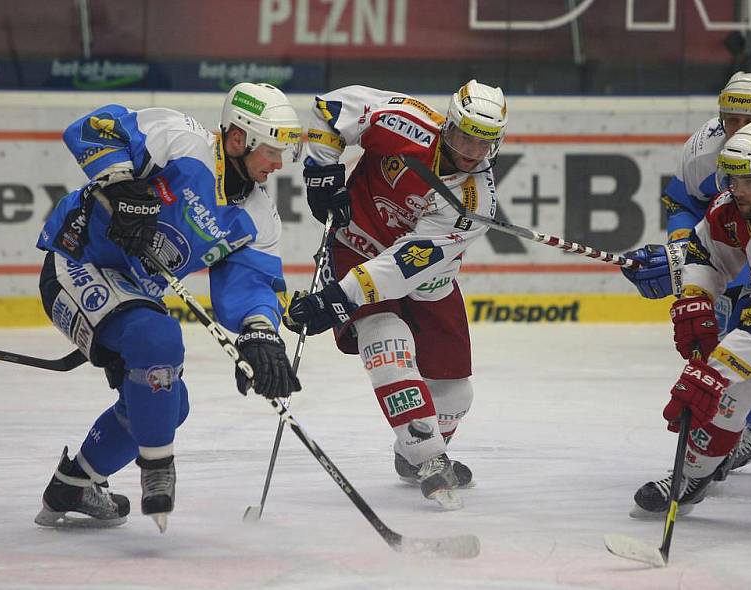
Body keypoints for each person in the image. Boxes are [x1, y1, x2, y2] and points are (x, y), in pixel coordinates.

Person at [33, 82, 302, 532]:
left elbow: (251, 285)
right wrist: (120, 188)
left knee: (168, 405)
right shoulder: (183, 140)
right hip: (76, 261)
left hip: (133, 293)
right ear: (239, 138)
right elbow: (94, 128)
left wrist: (259, 332)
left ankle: (74, 484)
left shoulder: (258, 218)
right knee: (159, 340)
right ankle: (157, 470)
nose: (278, 164)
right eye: (272, 150)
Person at [284, 80, 507, 510]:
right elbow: (332, 109)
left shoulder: (475, 201)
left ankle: (410, 454)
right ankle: (426, 456)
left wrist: (337, 299)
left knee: (456, 393)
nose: (471, 153)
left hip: (428, 279)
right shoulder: (406, 122)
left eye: (484, 145)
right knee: (386, 337)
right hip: (356, 244)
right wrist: (321, 171)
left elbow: (405, 264)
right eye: (464, 138)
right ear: (449, 126)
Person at [621, 72, 751, 476]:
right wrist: (686, 259)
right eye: (730, 119)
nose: (739, 130)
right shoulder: (704, 151)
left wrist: (710, 375)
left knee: (749, 340)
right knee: (729, 336)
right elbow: (684, 205)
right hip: (743, 240)